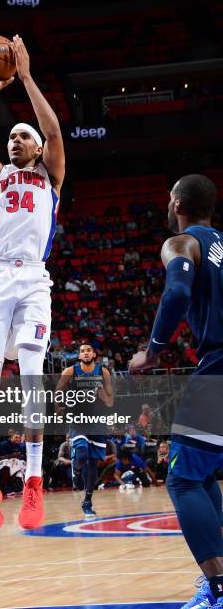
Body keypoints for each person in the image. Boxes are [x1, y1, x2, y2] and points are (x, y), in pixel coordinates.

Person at [0, 35, 65, 532]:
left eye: (23, 136)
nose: (15, 140)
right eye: (11, 138)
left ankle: (34, 483)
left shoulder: (51, 175)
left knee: (29, 377)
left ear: (39, 148)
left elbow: (53, 127)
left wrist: (25, 76)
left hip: (33, 280)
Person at [129, 174, 223, 608]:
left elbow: (176, 294)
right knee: (203, 473)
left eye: (169, 198)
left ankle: (219, 589)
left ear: (179, 203)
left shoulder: (183, 244)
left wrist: (152, 352)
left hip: (219, 368)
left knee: (183, 477)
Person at [55, 343, 113, 517]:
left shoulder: (103, 372)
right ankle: (76, 469)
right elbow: (58, 391)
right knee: (81, 453)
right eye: (82, 351)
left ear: (94, 354)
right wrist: (59, 408)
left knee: (94, 463)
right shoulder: (70, 372)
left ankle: (87, 502)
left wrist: (105, 398)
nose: (85, 353)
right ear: (79, 356)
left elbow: (111, 401)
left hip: (97, 422)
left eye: (88, 350)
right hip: (78, 420)